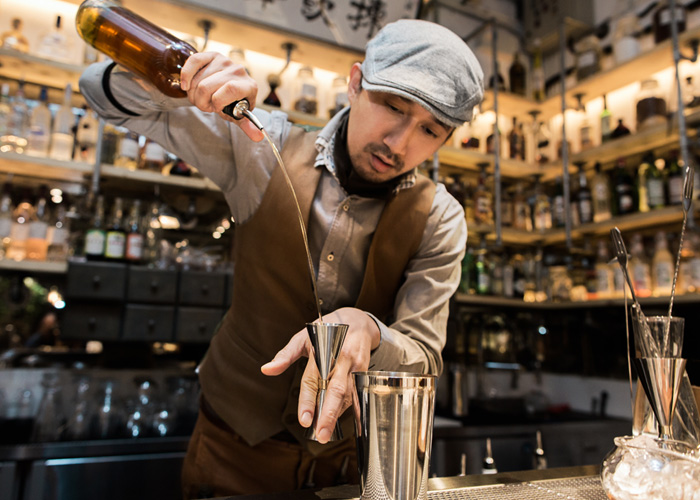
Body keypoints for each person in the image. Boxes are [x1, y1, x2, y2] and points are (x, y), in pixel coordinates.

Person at [79, 18, 483, 498]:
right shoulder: (260, 145)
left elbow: (423, 356)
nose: (398, 143)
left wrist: (374, 332)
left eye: (429, 130)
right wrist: (185, 85)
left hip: (349, 463)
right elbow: (101, 94)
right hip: (232, 450)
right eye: (392, 107)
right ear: (355, 84)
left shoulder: (440, 217)